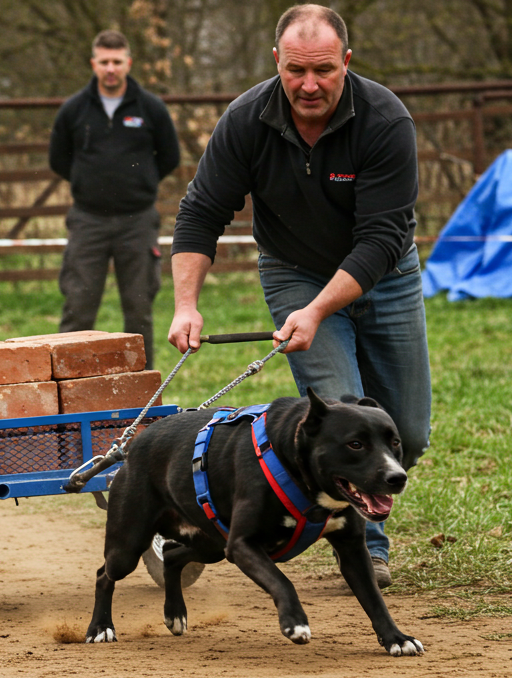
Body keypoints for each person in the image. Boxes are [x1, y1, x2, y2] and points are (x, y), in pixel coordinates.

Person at [167, 4, 430, 588]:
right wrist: (187, 304)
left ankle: (353, 518)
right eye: (295, 71)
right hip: (294, 271)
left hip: (385, 274)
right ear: (277, 64)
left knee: (406, 432)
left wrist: (317, 311)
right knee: (341, 407)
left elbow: (381, 237)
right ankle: (364, 546)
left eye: (324, 70)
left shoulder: (386, 120)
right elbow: (201, 212)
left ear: (347, 63)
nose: (309, 85)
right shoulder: (245, 120)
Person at [49, 30, 181, 368]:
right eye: (104, 62)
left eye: (117, 62)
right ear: (94, 64)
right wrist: (87, 183)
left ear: (128, 64)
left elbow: (169, 156)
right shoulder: (74, 110)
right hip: (87, 220)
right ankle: (69, 389)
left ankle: (141, 394)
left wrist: (140, 183)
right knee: (78, 309)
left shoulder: (150, 108)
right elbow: (58, 159)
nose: (110, 69)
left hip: (137, 221)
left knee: (139, 313)